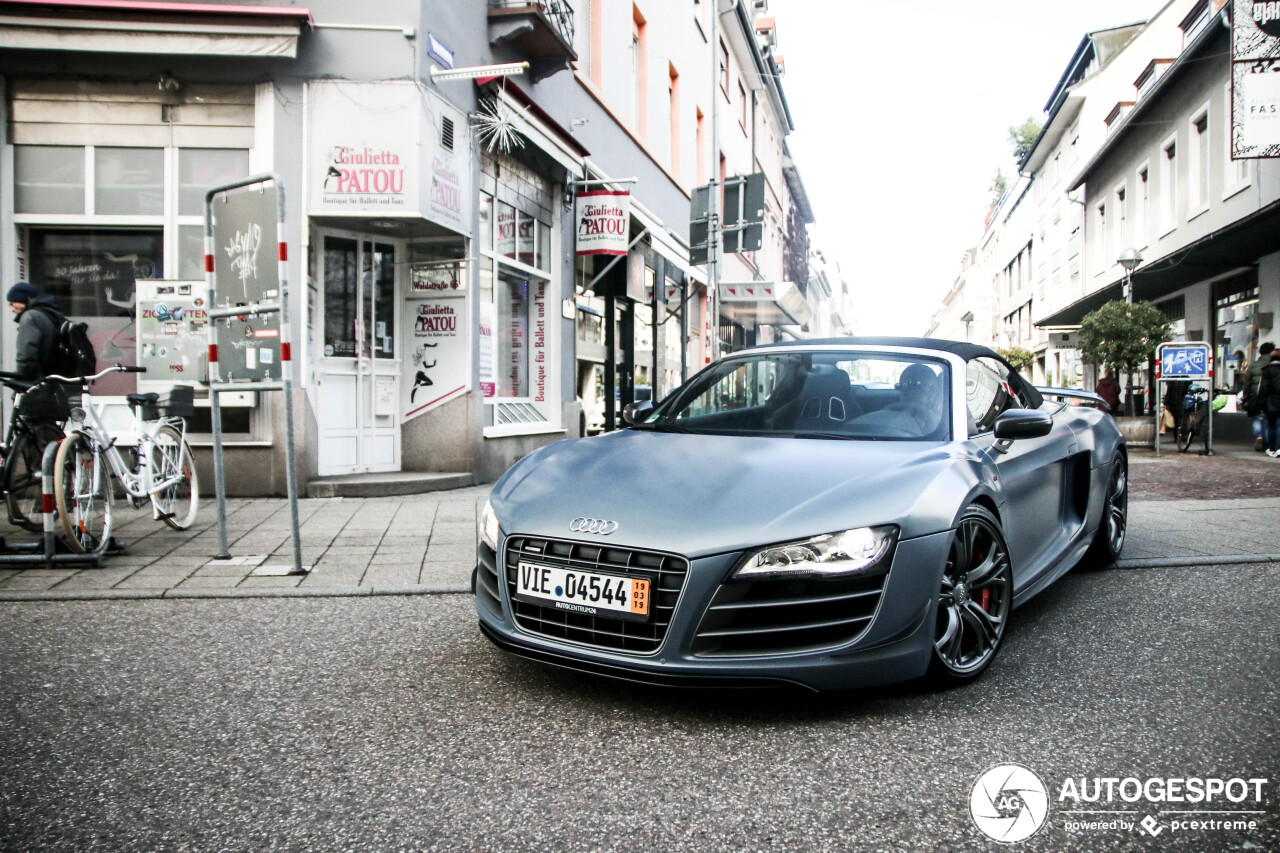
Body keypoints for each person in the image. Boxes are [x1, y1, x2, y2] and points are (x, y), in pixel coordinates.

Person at [8, 281, 64, 381]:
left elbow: (27, 356)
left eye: (13, 303)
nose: (12, 309)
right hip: (51, 380)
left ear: (27, 299)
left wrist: (19, 378)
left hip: (35, 383)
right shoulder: (50, 315)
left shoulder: (30, 317)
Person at [1242, 342, 1275, 452]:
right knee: (1268, 420)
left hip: (1255, 396)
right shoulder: (1274, 366)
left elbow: (1247, 382)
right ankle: (1266, 442)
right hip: (1270, 397)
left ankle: (1259, 436)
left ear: (1260, 352)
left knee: (1257, 418)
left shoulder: (1253, 365)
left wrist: (1246, 395)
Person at [1259, 347, 1280, 458]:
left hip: (1271, 402)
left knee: (1271, 426)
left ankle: (1272, 448)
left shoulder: (1267, 370)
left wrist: (1261, 402)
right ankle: (1279, 448)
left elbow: (1263, 388)